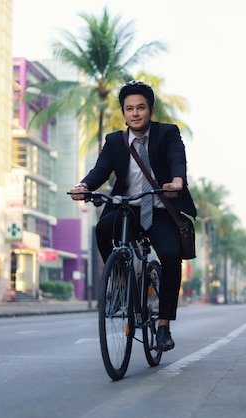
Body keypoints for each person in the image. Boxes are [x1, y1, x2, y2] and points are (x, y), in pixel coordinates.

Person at [69, 80, 197, 351]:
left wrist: (176, 181)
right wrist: (85, 186)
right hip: (127, 207)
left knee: (171, 256)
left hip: (160, 209)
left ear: (150, 109)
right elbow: (101, 169)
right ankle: (119, 281)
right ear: (124, 113)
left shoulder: (167, 133)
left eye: (141, 107)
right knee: (103, 229)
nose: (135, 113)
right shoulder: (115, 141)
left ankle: (163, 326)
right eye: (129, 109)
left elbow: (177, 158)